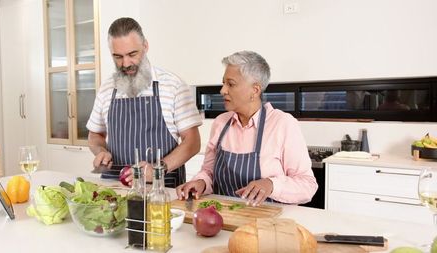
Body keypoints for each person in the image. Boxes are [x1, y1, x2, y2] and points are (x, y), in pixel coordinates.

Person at [176, 51, 317, 206]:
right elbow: (209, 172)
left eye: (230, 84)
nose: (223, 90)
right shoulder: (220, 123)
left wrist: (271, 185)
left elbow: (307, 185)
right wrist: (201, 183)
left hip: (269, 223)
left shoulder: (283, 124)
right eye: (223, 83)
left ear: (255, 90)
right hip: (224, 218)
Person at [86, 17, 202, 188]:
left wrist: (157, 169)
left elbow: (192, 142)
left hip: (161, 190)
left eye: (132, 54)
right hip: (115, 189)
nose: (126, 64)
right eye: (118, 57)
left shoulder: (173, 86)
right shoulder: (106, 88)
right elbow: (95, 135)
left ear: (145, 46)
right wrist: (101, 151)